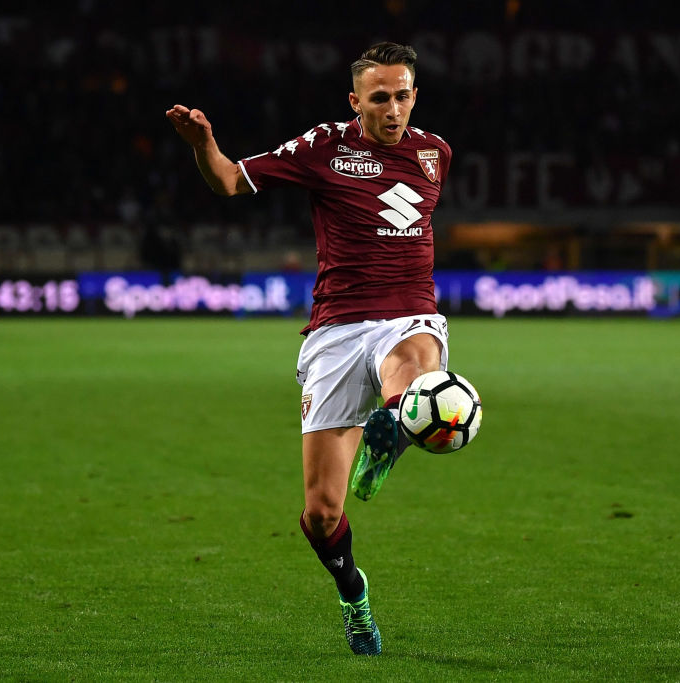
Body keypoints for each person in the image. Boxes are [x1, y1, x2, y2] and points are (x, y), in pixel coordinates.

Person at [166, 42, 451, 656]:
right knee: (321, 514)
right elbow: (226, 181)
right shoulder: (325, 147)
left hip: (408, 315)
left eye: (403, 95)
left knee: (418, 373)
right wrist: (202, 145)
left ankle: (394, 424)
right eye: (380, 98)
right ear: (356, 101)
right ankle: (354, 593)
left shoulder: (436, 154)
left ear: (415, 95)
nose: (394, 107)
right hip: (337, 331)